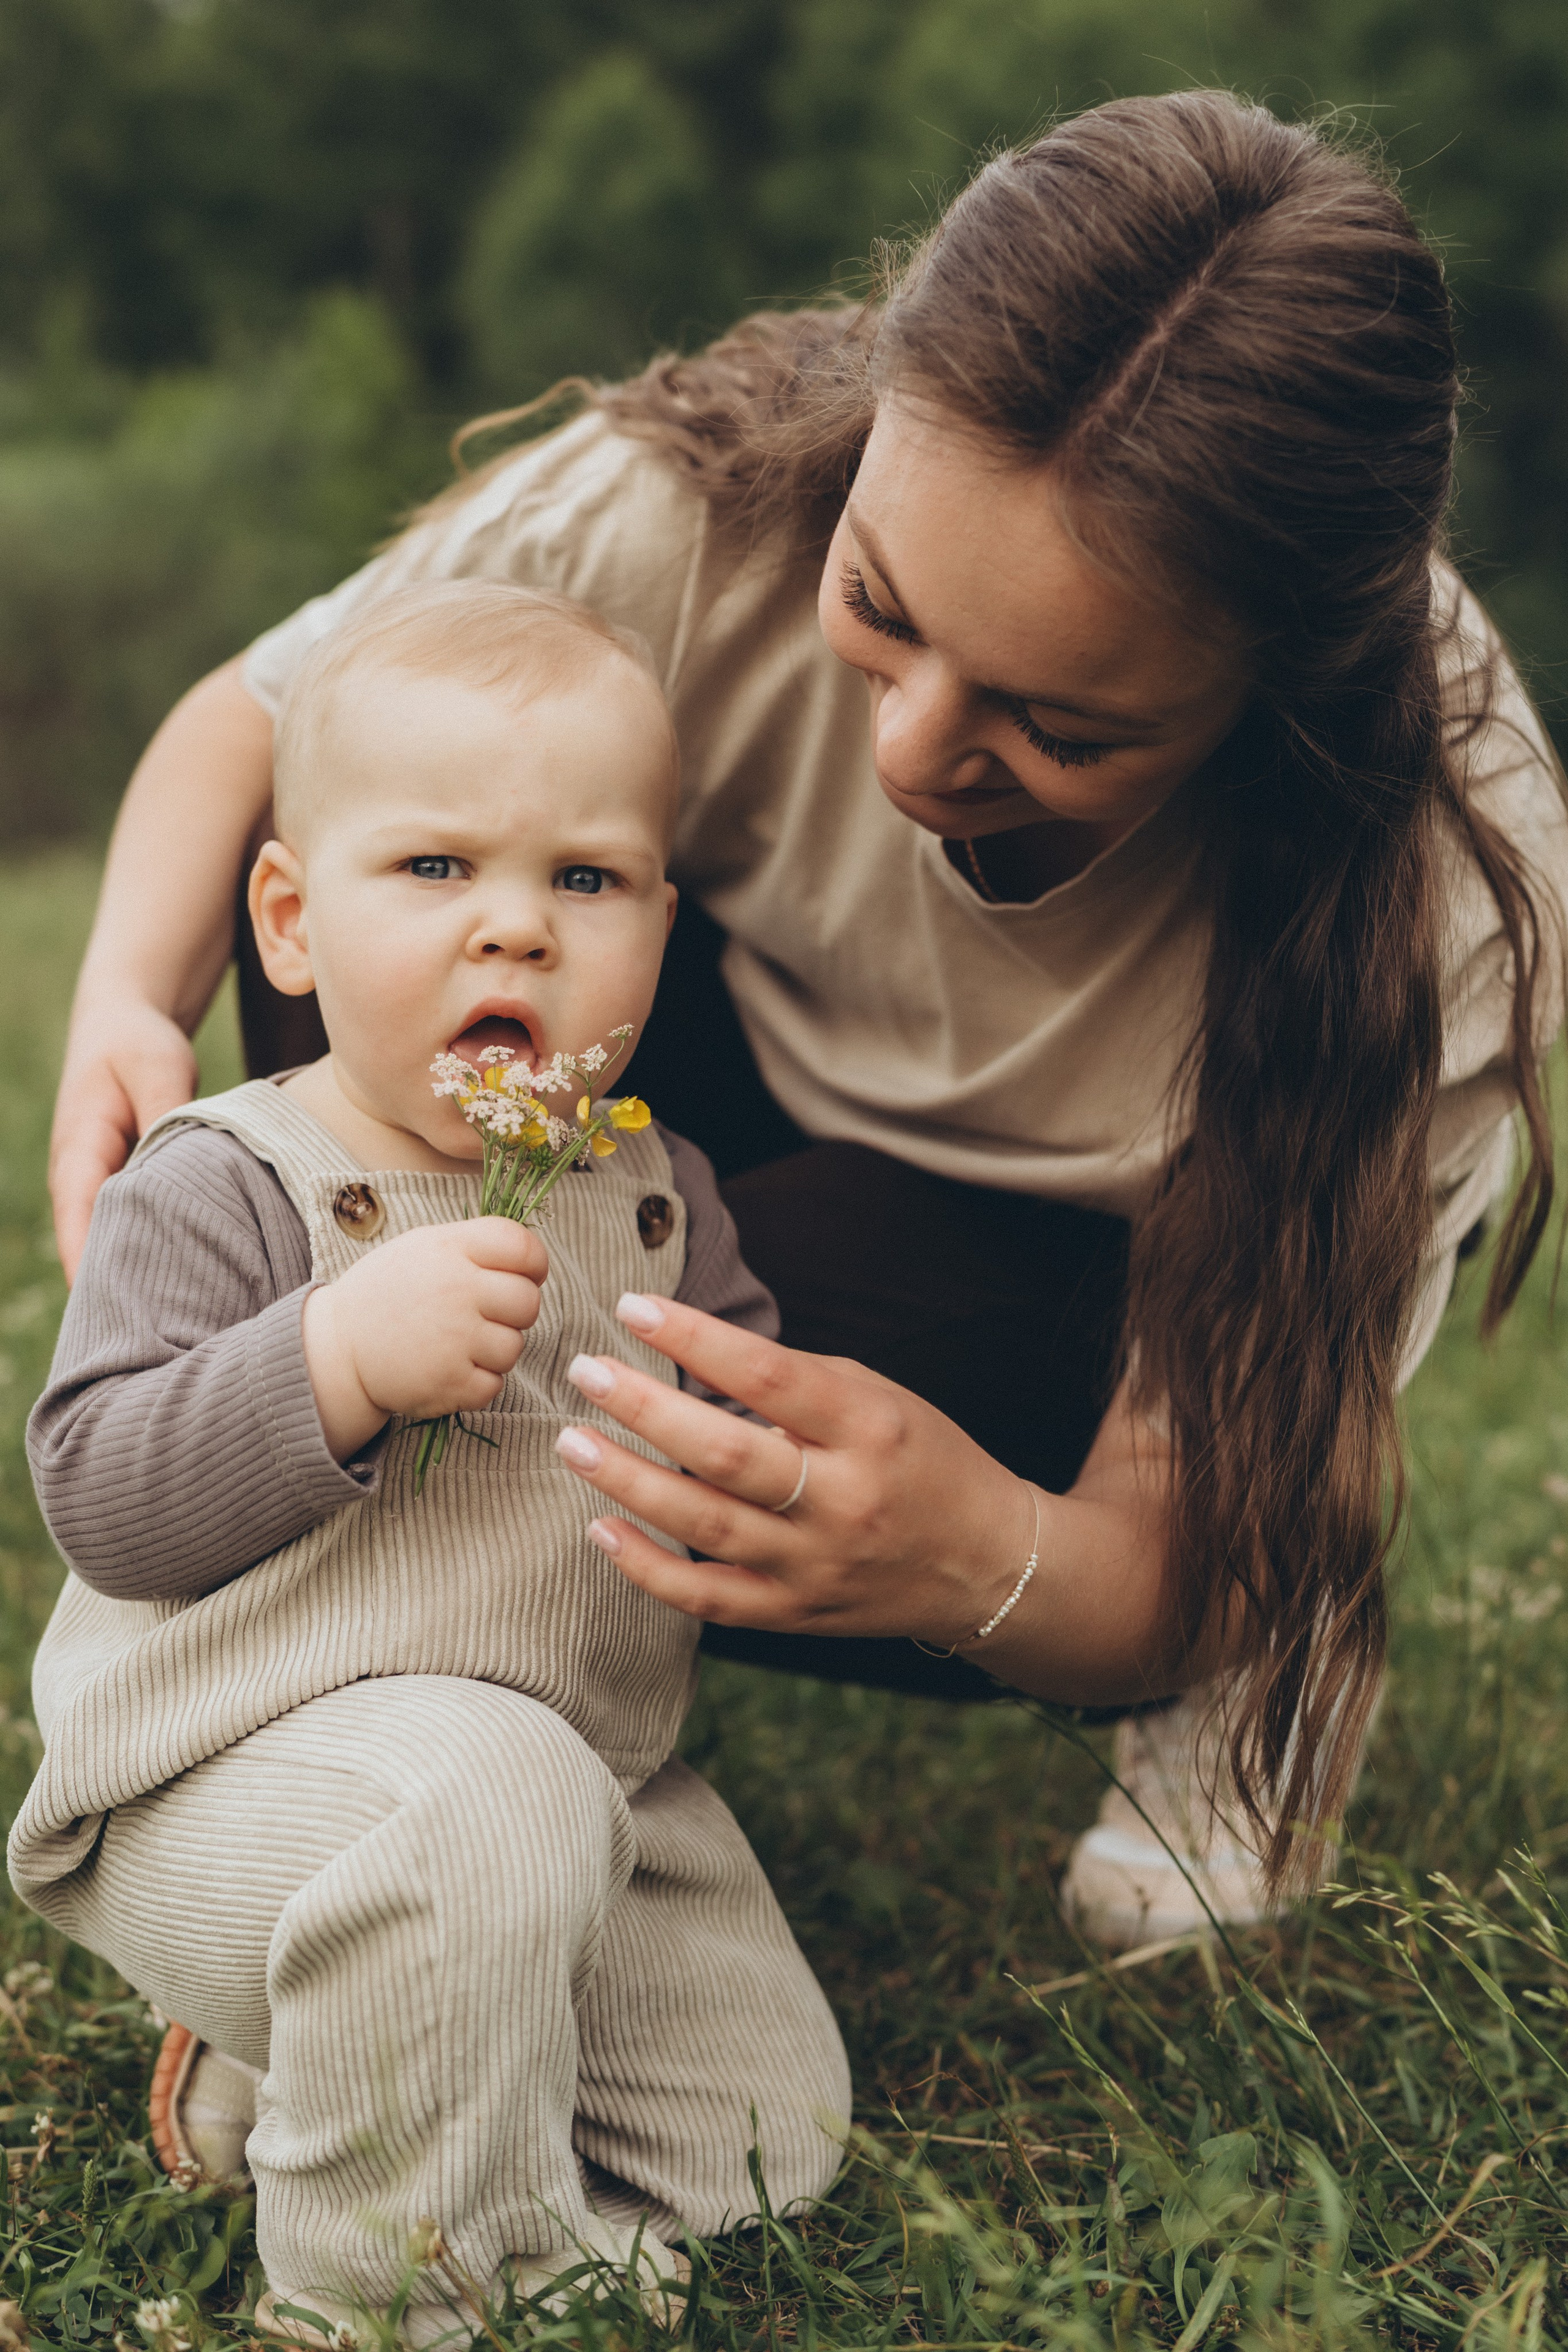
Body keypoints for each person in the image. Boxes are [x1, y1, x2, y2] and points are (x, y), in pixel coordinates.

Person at [45, 92, 1568, 1956]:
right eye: (880, 606)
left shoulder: (1436, 881)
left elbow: (1156, 1551)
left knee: (1030, 1514)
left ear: (1280, 698)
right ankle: (403, 1615)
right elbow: (264, 720)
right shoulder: (709, 497)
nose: (911, 751)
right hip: (740, 1056)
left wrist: (967, 1551)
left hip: (1073, 1294)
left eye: (1063, 731)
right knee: (406, 864)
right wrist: (131, 998)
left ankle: (1268, 1671)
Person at [11, 581, 851, 2343]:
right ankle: (391, 2297)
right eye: (437, 871)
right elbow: (99, 1487)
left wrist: (749, 1451)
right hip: (227, 1777)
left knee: (771, 2131)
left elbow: (742, 1422)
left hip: (580, 1797)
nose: (517, 935)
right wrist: (330, 1362)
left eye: (585, 882)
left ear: (659, 933)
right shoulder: (229, 1175)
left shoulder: (654, 1191)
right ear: (293, 925)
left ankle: (334, 2077)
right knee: (492, 1803)